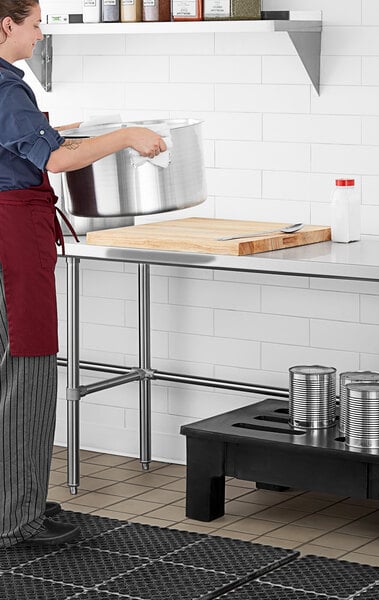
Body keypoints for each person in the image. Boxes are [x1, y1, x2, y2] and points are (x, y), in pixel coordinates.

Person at [0, 0, 166, 547]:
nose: (40, 32)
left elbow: (27, 143)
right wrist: (127, 135)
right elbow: (53, 162)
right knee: (26, 373)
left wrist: (60, 131)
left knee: (9, 375)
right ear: (7, 26)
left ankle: (14, 499)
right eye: (35, 22)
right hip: (12, 244)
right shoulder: (6, 86)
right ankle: (16, 520)